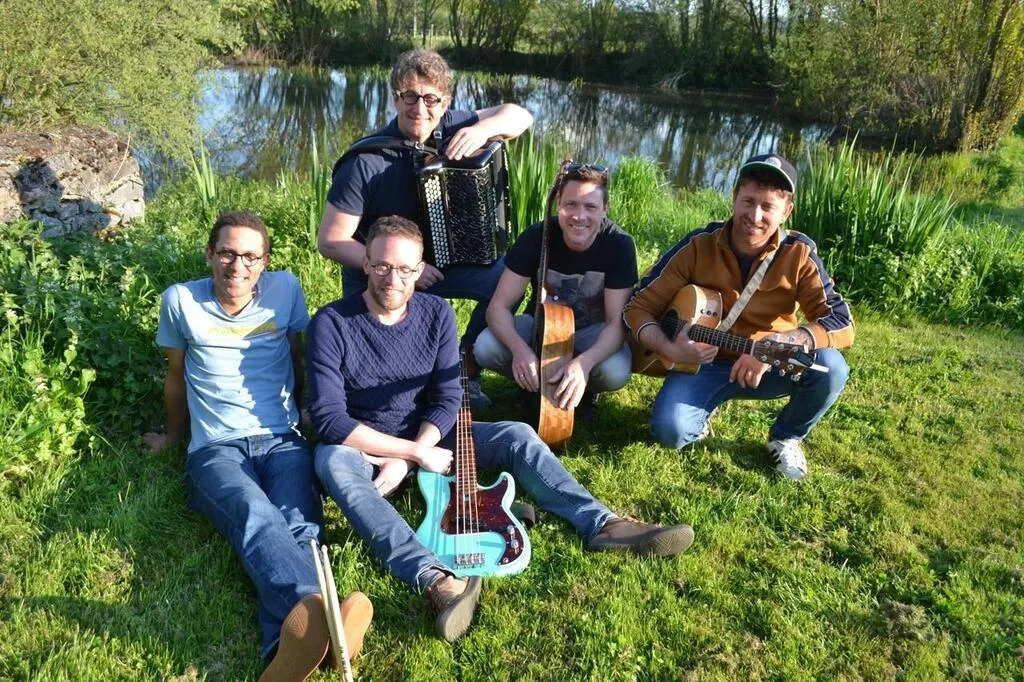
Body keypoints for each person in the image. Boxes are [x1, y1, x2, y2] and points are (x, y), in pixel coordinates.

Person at [306, 215, 694, 643]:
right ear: (365, 262)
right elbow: (329, 418)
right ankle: (436, 579)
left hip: (431, 437)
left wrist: (417, 449)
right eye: (381, 265)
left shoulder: (436, 313)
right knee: (332, 461)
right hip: (365, 447)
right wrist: (410, 455)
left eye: (404, 268)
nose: (392, 278)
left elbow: (448, 398)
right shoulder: (332, 322)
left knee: (517, 435)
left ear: (419, 269)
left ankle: (603, 524)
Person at [144, 211, 373, 681]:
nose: (238, 266)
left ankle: (283, 647)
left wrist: (305, 408)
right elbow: (175, 377)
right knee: (255, 513)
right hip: (216, 449)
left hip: (282, 440)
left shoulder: (285, 290)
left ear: (265, 261)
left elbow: (296, 355)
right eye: (227, 253)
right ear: (210, 254)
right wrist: (173, 436)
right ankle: (328, 622)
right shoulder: (181, 300)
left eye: (250, 256)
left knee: (302, 527)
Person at [317, 48, 534, 412]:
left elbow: (520, 115)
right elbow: (331, 241)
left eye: (431, 98)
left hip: (443, 263)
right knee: (375, 363)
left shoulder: (452, 126)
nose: (420, 108)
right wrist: (405, 271)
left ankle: (466, 366)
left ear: (445, 102)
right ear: (395, 98)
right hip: (378, 272)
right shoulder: (365, 162)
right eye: (409, 96)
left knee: (504, 282)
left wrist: (482, 129)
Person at [622, 153, 854, 481]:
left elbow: (841, 322)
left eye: (767, 206)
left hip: (770, 364)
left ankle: (786, 436)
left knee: (830, 368)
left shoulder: (799, 253)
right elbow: (637, 306)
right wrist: (668, 348)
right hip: (701, 364)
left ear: (786, 211)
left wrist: (778, 346)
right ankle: (702, 409)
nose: (754, 215)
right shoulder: (698, 245)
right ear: (734, 198)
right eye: (748, 201)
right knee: (670, 431)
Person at [473, 163, 636, 415]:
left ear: (605, 208)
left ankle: (584, 388)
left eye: (590, 207)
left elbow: (617, 323)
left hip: (591, 334)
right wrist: (519, 350)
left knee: (614, 372)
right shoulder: (537, 236)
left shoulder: (619, 245)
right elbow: (498, 308)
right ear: (558, 203)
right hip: (541, 328)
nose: (579, 216)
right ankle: (535, 382)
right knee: (485, 346)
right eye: (571, 204)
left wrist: (584, 363)